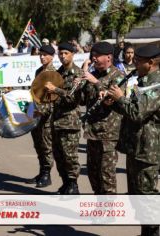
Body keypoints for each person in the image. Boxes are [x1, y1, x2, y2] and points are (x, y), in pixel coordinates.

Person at [107, 44, 160, 236]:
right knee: (137, 196)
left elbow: (138, 113)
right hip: (136, 147)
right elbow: (130, 109)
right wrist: (113, 102)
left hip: (149, 150)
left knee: (147, 197)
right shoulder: (144, 81)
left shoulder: (157, 85)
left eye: (138, 61)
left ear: (151, 62)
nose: (134, 63)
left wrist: (120, 98)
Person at [79, 41, 124, 194]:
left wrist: (96, 82)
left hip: (108, 135)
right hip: (92, 133)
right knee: (93, 174)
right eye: (93, 56)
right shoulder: (93, 74)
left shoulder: (117, 76)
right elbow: (82, 100)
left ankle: (109, 214)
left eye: (98, 56)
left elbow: (109, 101)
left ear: (109, 58)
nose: (94, 59)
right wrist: (80, 80)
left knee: (107, 176)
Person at [44, 42, 83, 194]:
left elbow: (73, 99)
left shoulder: (77, 74)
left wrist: (56, 90)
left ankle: (74, 185)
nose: (62, 56)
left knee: (70, 156)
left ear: (72, 54)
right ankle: (66, 183)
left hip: (70, 121)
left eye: (66, 53)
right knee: (58, 155)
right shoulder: (58, 72)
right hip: (57, 119)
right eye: (60, 53)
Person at [27, 45, 56, 188]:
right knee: (38, 144)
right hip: (35, 113)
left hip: (47, 115)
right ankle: (41, 171)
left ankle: (47, 174)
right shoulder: (39, 71)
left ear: (52, 56)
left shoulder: (54, 73)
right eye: (40, 54)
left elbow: (53, 98)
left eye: (45, 55)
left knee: (46, 145)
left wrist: (42, 111)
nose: (42, 57)